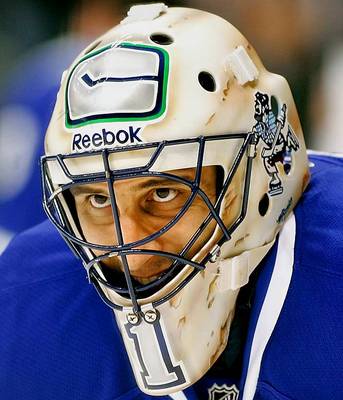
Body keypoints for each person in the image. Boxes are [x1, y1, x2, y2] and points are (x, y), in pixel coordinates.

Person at [0, 4, 342, 400]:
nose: (131, 255)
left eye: (163, 194)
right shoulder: (27, 303)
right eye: (97, 199)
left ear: (260, 174)